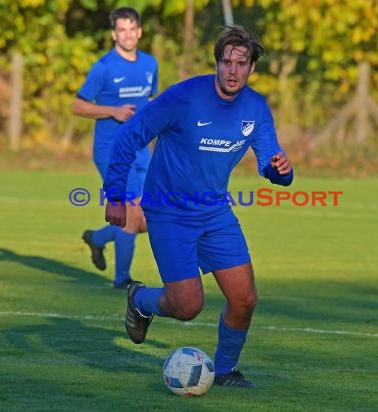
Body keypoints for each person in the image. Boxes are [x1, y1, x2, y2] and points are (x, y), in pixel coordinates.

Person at [103, 25, 293, 388]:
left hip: (215, 213)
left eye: (242, 63)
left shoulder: (255, 107)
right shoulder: (184, 98)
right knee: (188, 305)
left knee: (244, 299)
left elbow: (271, 162)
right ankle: (140, 299)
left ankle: (224, 371)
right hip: (169, 213)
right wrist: (115, 195)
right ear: (217, 64)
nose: (233, 70)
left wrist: (281, 170)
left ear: (252, 68)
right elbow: (131, 136)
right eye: (226, 62)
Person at [72, 7, 158, 289]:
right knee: (131, 213)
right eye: (122, 30)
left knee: (146, 219)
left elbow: (153, 103)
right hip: (111, 152)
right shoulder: (104, 68)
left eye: (132, 29)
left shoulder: (150, 64)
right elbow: (78, 105)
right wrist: (112, 111)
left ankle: (97, 238)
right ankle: (122, 280)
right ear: (114, 34)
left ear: (140, 31)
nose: (128, 35)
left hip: (142, 150)